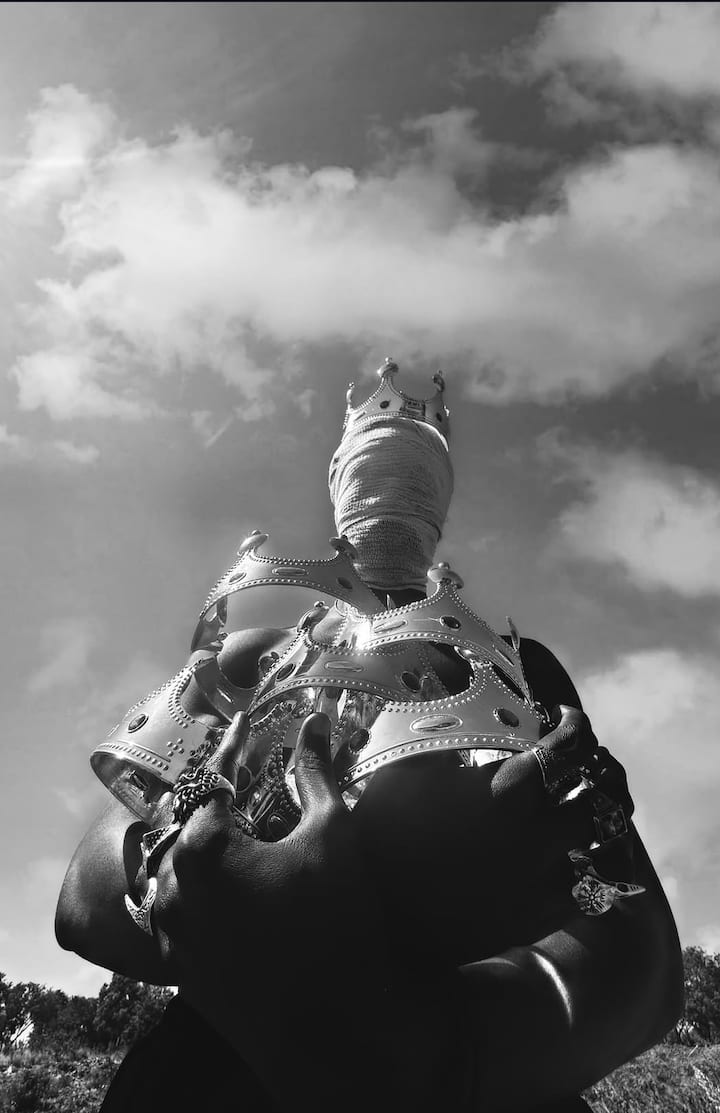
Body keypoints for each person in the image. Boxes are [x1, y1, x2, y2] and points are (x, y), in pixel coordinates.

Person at [56, 361, 683, 1111]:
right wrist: (193, 886)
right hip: (220, 1068)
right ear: (339, 487)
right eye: (372, 454)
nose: (392, 478)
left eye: (416, 463)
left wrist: (420, 1046)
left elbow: (640, 963)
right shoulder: (260, 658)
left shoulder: (512, 667)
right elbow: (87, 893)